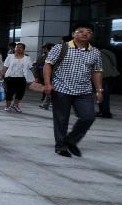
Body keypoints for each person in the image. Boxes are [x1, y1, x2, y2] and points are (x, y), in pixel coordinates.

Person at [43, 23, 103, 158]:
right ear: (73, 34)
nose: (85, 33)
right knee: (61, 119)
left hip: (84, 90)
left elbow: (97, 71)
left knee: (88, 117)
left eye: (88, 32)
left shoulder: (95, 52)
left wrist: (99, 90)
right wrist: (48, 84)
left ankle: (71, 140)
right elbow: (48, 65)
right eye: (80, 31)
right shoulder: (60, 48)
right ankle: (60, 146)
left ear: (91, 35)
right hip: (61, 89)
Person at [1, 42, 33, 113]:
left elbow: (31, 68)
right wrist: (3, 75)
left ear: (23, 49)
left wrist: (35, 77)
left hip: (22, 78)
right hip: (10, 77)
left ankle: (15, 105)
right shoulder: (10, 57)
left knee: (20, 93)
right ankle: (7, 106)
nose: (18, 48)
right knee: (9, 92)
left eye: (20, 47)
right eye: (17, 47)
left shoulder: (27, 58)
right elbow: (5, 66)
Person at [97, 44, 118, 118]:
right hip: (112, 75)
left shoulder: (98, 53)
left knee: (101, 95)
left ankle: (104, 112)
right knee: (106, 95)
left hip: (103, 76)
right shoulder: (111, 54)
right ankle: (105, 111)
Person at [35, 43, 53, 109]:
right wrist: (37, 76)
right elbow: (37, 66)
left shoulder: (51, 56)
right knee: (48, 90)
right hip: (44, 74)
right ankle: (46, 103)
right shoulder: (43, 56)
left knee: (50, 90)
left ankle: (46, 103)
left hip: (51, 76)